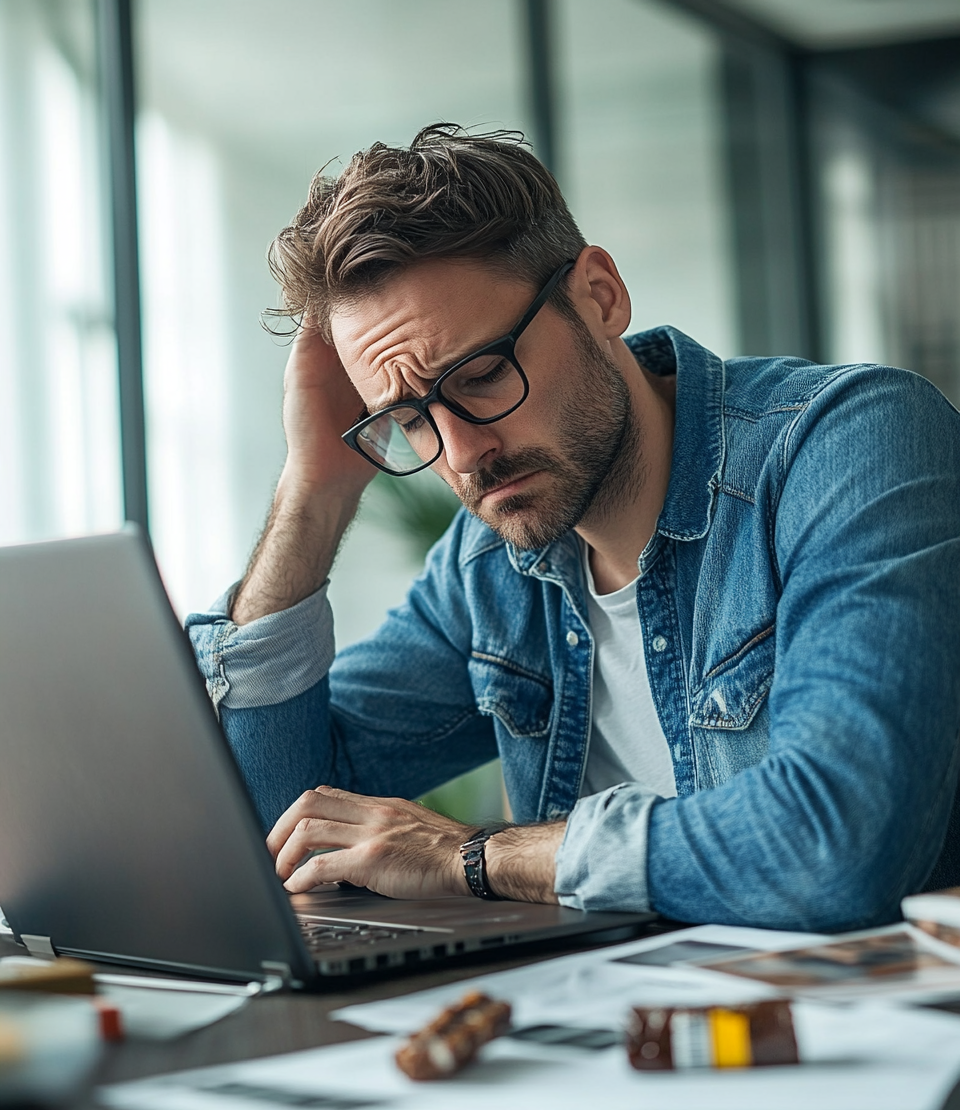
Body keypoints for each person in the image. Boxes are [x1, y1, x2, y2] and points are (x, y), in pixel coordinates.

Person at [186, 124, 960, 932]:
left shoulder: (849, 444)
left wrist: (477, 858)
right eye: (409, 421)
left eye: (482, 376)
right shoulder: (487, 566)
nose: (461, 456)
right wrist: (311, 489)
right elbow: (280, 825)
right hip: (609, 1030)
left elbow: (840, 843)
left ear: (599, 296)